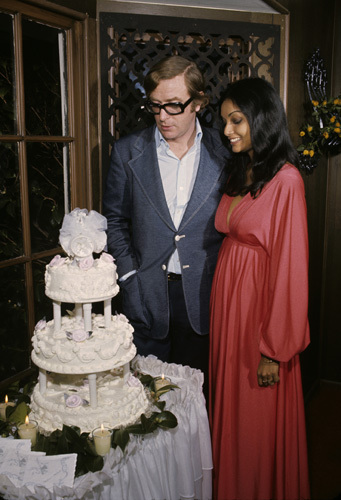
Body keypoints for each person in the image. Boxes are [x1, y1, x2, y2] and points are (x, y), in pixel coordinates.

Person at [209, 77, 311, 500]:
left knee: (254, 417)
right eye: (225, 122)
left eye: (237, 121)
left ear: (262, 119)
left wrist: (274, 347)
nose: (228, 131)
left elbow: (292, 269)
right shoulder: (241, 169)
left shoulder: (287, 181)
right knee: (229, 410)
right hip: (229, 310)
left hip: (259, 320)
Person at [103, 56, 230, 389]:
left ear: (198, 102)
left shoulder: (227, 152)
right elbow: (114, 223)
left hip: (206, 297)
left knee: (198, 401)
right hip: (146, 295)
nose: (162, 116)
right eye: (155, 106)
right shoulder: (127, 151)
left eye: (174, 106)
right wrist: (130, 279)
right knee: (147, 402)